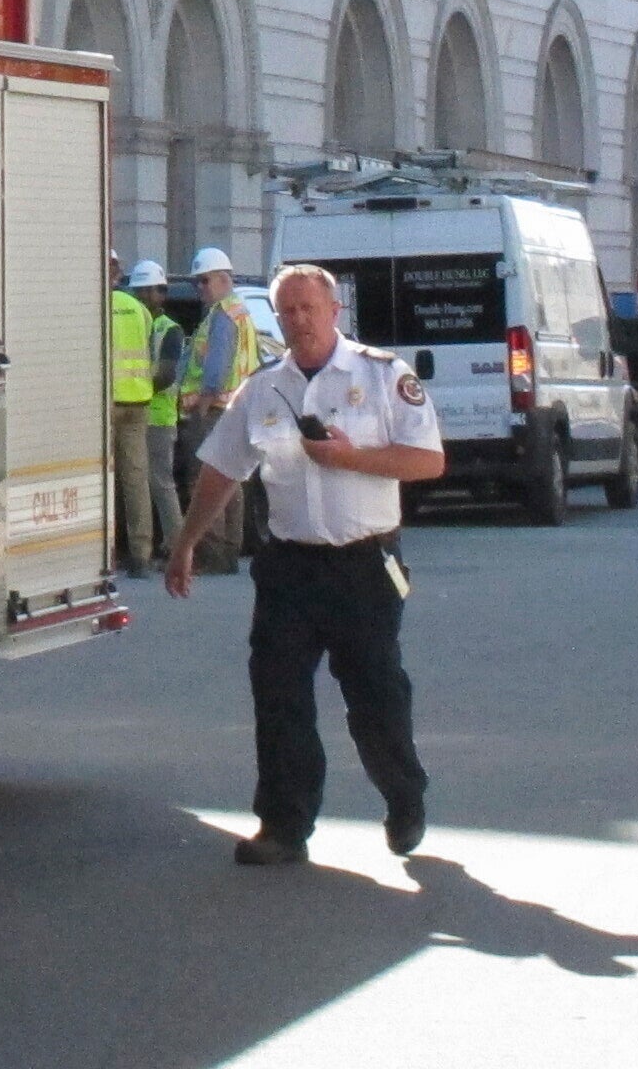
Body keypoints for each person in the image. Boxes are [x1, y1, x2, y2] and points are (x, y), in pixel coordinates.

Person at [163, 261, 446, 867]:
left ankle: (404, 796)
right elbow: (221, 470)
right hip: (290, 566)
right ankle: (283, 826)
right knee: (278, 694)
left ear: (333, 312)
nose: (298, 320)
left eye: (308, 309)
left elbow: (427, 462)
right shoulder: (264, 388)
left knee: (376, 696)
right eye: (288, 311)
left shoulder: (381, 375)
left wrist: (353, 458)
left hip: (365, 565)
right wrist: (186, 542)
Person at [177, 250, 260, 572]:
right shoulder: (240, 311)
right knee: (230, 480)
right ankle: (227, 552)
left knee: (204, 482)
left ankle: (212, 556)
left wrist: (203, 403)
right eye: (197, 282)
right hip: (234, 409)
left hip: (214, 411)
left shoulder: (223, 315)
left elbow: (216, 366)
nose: (200, 288)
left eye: (204, 280)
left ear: (224, 279)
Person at [109, 256, 160, 570]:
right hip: (138, 402)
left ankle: (108, 552)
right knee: (136, 480)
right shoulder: (139, 308)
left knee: (104, 480)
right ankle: (141, 555)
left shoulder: (97, 306)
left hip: (108, 402)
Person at [142, 269, 189, 564]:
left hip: (158, 416)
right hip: (141, 412)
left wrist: (136, 391)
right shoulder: (139, 320)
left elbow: (168, 375)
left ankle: (175, 545)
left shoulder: (168, 328)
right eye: (141, 290)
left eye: (151, 290)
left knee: (160, 482)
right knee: (143, 483)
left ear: (162, 294)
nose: (146, 296)